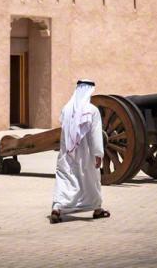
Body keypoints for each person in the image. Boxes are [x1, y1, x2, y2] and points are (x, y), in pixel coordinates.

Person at [50, 80, 110, 224]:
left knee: (64, 179)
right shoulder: (92, 111)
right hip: (86, 155)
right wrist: (98, 154)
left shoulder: (66, 109)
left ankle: (57, 208)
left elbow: (63, 132)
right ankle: (97, 209)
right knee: (91, 180)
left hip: (67, 153)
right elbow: (96, 135)